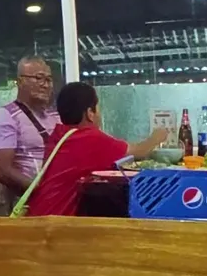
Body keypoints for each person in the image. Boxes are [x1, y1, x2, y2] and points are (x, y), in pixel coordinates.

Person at [26, 81, 167, 217]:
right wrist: (157, 136)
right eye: (98, 108)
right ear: (90, 113)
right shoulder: (89, 138)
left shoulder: (59, 135)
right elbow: (140, 152)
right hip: (55, 224)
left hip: (37, 216)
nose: (100, 114)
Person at [0, 56, 60, 195]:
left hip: (61, 192)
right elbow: (4, 171)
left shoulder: (55, 117)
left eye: (49, 80)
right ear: (20, 82)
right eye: (39, 78)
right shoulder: (6, 116)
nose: (45, 85)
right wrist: (41, 191)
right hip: (34, 197)